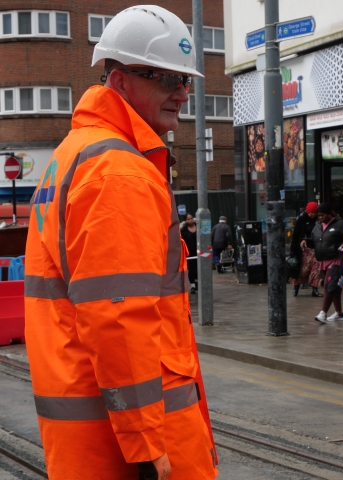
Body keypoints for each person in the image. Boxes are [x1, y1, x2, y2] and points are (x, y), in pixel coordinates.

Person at [23, 6, 217, 479]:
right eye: (164, 78)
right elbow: (118, 317)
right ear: (119, 80)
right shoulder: (117, 171)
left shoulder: (73, 154)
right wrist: (146, 448)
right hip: (128, 450)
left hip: (88, 440)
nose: (181, 92)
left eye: (184, 80)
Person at [312, 202, 343, 323]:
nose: (320, 217)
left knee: (329, 285)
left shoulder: (340, 224)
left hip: (336, 258)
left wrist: (342, 246)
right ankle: (339, 313)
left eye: (322, 215)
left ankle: (323, 313)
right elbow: (316, 239)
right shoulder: (317, 225)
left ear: (329, 214)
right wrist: (305, 241)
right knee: (333, 287)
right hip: (323, 258)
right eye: (318, 215)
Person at [289, 201, 322, 297]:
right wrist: (292, 250)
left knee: (316, 269)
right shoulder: (301, 220)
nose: (313, 214)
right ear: (307, 211)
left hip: (315, 249)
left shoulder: (318, 221)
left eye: (315, 212)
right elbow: (295, 236)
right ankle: (296, 287)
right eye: (311, 212)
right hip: (304, 250)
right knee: (302, 270)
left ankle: (315, 289)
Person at [181, 213, 198, 293]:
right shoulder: (183, 230)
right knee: (191, 269)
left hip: (198, 252)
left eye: (191, 218)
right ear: (185, 220)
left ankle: (198, 284)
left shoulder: (198, 227)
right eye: (188, 219)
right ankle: (192, 286)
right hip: (189, 253)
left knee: (198, 269)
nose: (190, 220)